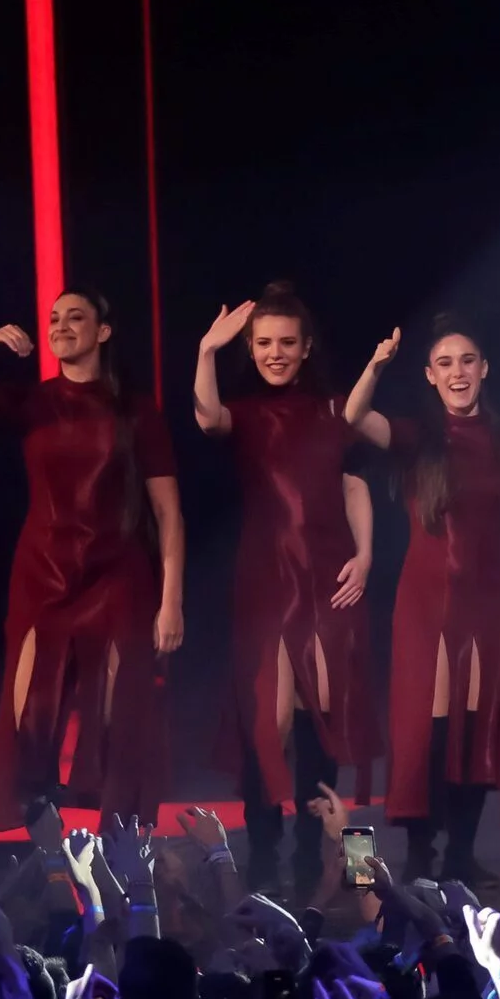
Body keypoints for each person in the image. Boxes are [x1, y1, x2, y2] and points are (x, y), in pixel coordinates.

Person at [0, 289, 185, 829]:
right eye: (54, 318)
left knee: (115, 718)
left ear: (103, 332)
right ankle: (44, 840)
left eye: (75, 318)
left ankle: (118, 847)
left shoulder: (136, 410)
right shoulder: (35, 402)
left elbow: (167, 511)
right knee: (29, 719)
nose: (60, 326)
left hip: (118, 573)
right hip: (44, 571)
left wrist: (172, 600)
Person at [343, 315, 500, 883]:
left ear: (484, 369)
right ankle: (421, 853)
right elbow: (354, 417)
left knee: (478, 725)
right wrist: (375, 366)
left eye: (467, 361)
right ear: (429, 374)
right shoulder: (419, 437)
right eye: (444, 363)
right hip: (427, 601)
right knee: (429, 727)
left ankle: (461, 853)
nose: (457, 372)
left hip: (488, 602)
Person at [193, 284, 383, 895]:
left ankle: (311, 848)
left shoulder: (334, 409)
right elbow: (206, 417)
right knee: (268, 720)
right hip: (267, 576)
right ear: (250, 349)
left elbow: (354, 485)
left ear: (305, 348)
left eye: (286, 343)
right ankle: (264, 851)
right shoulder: (245, 412)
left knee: (320, 712)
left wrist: (365, 556)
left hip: (327, 573)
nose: (275, 353)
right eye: (264, 343)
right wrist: (206, 351)